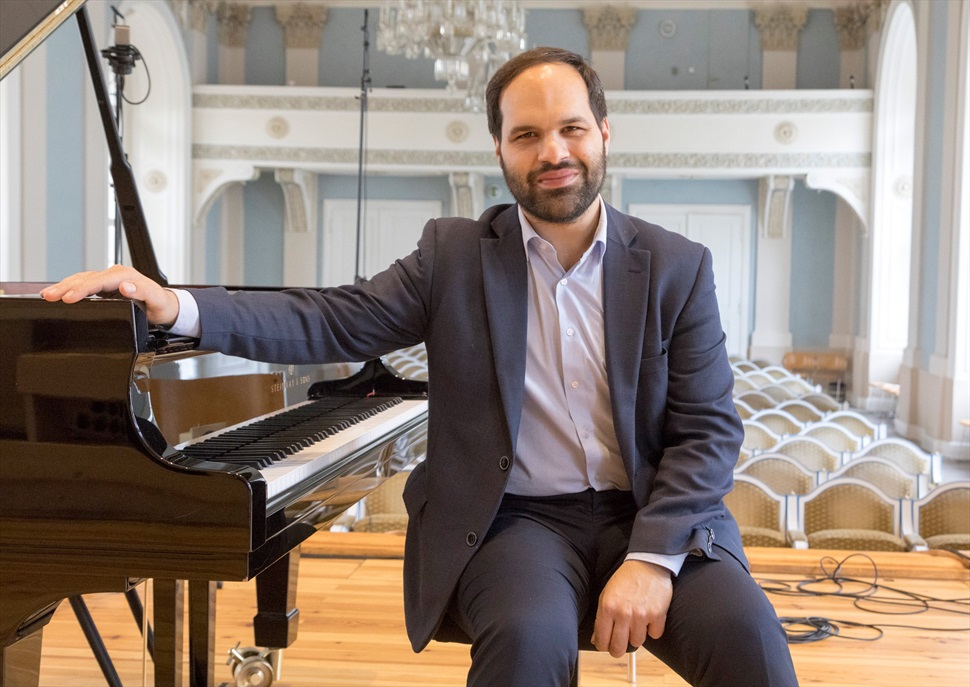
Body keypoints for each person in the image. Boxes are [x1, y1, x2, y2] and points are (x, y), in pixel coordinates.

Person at [41, 47, 798, 686]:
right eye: (527, 134)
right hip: (517, 520)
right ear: (501, 151)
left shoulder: (675, 266)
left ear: (603, 132)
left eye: (571, 129)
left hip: (655, 513)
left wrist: (653, 558)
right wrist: (176, 304)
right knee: (525, 643)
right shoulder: (455, 256)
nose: (553, 153)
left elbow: (707, 431)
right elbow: (331, 317)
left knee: (752, 641)